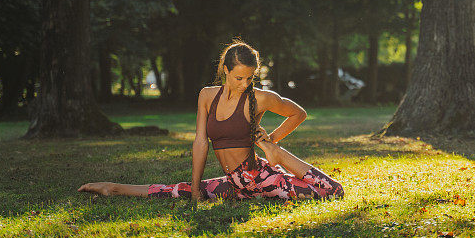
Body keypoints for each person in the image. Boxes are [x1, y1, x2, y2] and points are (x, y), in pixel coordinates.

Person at [78, 40, 344, 203]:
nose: (244, 84)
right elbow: (200, 142)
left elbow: (298, 113)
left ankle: (277, 155)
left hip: (262, 180)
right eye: (239, 77)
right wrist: (195, 187)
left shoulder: (260, 98)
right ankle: (113, 188)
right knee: (179, 191)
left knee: (332, 191)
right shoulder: (207, 96)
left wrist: (272, 141)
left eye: (249, 78)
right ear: (225, 70)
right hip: (236, 185)